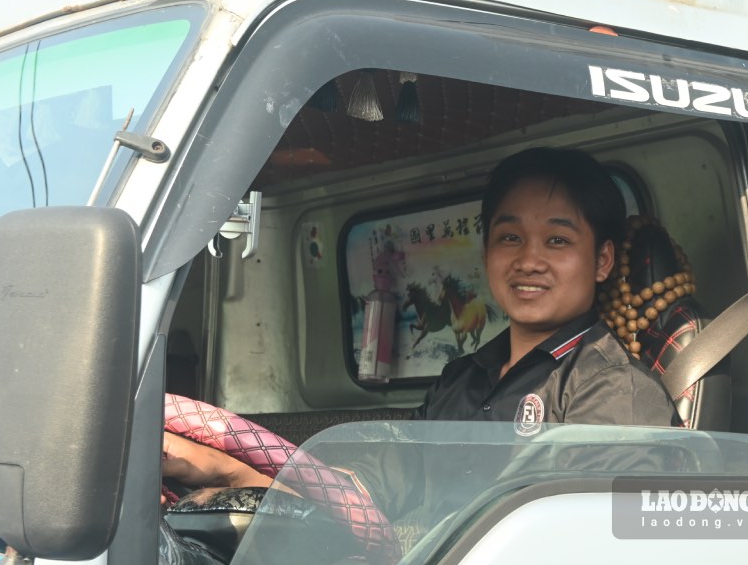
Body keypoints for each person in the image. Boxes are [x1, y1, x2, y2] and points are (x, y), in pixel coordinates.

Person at [162, 147, 677, 492]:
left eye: (558, 240)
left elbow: (590, 562)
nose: (529, 260)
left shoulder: (614, 394)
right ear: (487, 252)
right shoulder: (464, 378)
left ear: (602, 260)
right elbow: (381, 487)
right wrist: (235, 476)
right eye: (510, 237)